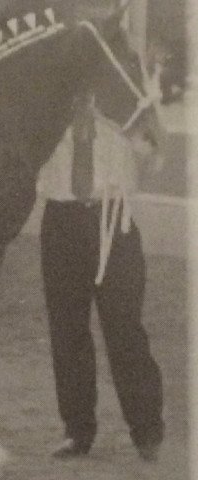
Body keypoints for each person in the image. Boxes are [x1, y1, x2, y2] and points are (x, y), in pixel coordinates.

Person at [36, 92, 165, 461]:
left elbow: (153, 153)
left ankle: (147, 431)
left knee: (124, 327)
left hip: (113, 220)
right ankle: (77, 431)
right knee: (67, 330)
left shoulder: (126, 97)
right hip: (61, 219)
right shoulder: (51, 99)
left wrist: (127, 118)